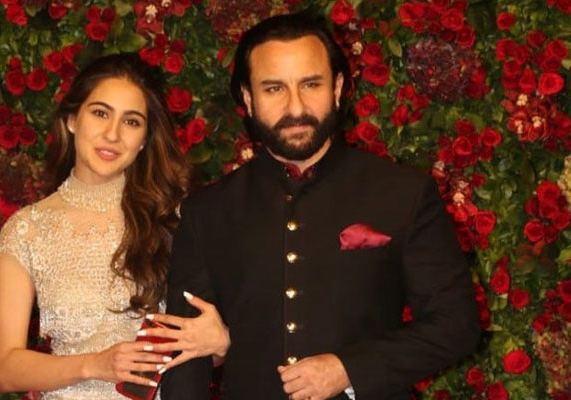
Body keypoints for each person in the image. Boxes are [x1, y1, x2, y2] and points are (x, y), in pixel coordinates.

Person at [159, 13, 480, 400]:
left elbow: (456, 324)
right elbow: (184, 360)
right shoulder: (207, 212)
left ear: (338, 88)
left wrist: (349, 369)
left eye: (311, 84)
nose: (296, 107)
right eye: (274, 89)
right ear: (248, 98)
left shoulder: (403, 192)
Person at [0, 53, 229, 399]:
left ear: (144, 138)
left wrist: (222, 343)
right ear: (72, 119)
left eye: (131, 122)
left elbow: (210, 351)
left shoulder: (178, 219)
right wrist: (95, 364)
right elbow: (5, 368)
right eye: (100, 113)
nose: (112, 134)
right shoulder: (27, 230)